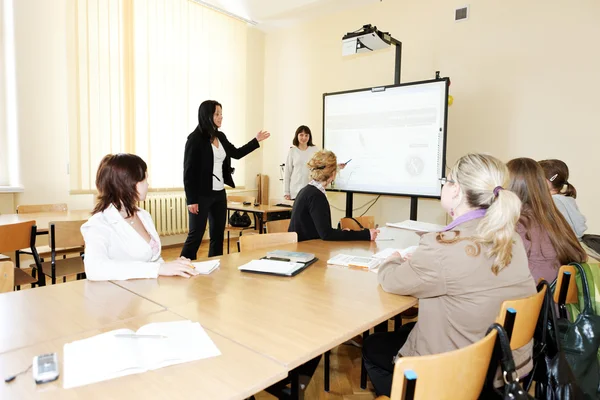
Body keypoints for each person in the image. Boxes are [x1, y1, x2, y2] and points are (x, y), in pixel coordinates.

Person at [362, 154, 536, 397]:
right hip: (507, 363)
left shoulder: (443, 247)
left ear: (456, 191)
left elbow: (391, 281)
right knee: (406, 331)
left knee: (372, 347)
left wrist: (394, 258)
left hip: (457, 374)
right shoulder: (510, 237)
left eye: (447, 180)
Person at [82, 154, 199, 281]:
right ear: (129, 183)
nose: (148, 184)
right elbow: (95, 269)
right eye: (145, 179)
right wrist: (158, 269)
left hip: (145, 291)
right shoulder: (99, 223)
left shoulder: (143, 215)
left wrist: (173, 266)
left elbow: (153, 259)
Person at [181, 100, 270, 259]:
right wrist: (191, 200)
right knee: (196, 235)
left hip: (219, 194)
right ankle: (183, 265)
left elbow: (236, 153)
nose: (221, 117)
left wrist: (255, 141)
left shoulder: (220, 136)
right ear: (206, 115)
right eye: (217, 114)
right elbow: (188, 172)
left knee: (217, 235)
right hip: (201, 195)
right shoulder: (194, 139)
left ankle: (215, 266)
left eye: (221, 113)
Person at [507, 158, 587, 283]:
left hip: (535, 298)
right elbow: (580, 255)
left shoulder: (519, 225)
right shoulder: (554, 216)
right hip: (553, 297)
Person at [288, 149, 378, 242]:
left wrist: (340, 233)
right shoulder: (316, 196)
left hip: (304, 246)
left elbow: (321, 230)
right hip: (307, 250)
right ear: (333, 174)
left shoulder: (308, 190)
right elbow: (327, 234)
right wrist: (366, 234)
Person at [538, 159, 587, 240]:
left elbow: (562, 232)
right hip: (573, 245)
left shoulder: (554, 202)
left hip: (564, 248)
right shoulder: (566, 199)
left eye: (537, 177)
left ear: (550, 179)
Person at [283, 125, 319, 200]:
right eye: (301, 135)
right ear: (297, 136)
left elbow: (321, 166)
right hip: (295, 192)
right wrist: (286, 192)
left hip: (311, 191)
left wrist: (336, 166)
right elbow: (287, 173)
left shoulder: (314, 150)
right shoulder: (292, 151)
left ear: (309, 137)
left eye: (306, 135)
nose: (304, 138)